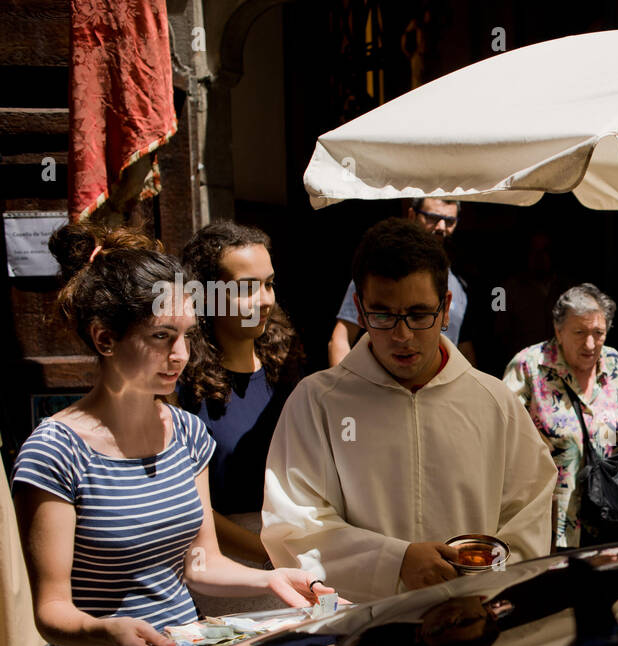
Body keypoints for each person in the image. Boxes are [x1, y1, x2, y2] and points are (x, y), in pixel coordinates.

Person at [11, 225, 322, 646]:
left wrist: (271, 576)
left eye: (186, 335)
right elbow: (51, 611)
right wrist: (109, 631)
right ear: (104, 338)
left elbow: (200, 563)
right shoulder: (55, 450)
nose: (179, 355)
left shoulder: (187, 433)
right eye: (161, 336)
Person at [262, 218, 556, 603]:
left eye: (419, 315)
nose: (402, 336)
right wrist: (394, 562)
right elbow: (294, 527)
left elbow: (528, 517)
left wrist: (480, 585)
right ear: (360, 310)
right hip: (361, 630)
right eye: (383, 315)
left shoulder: (495, 402)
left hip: (472, 623)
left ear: (446, 307)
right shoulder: (317, 402)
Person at [177, 221, 306, 572]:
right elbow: (186, 499)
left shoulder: (287, 368)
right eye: (248, 288)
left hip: (296, 551)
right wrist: (265, 554)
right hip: (224, 561)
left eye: (269, 284)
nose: (264, 300)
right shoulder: (182, 382)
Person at [504, 284, 618, 548]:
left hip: (608, 514)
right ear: (558, 331)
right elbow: (503, 432)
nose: (589, 344)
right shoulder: (528, 366)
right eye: (579, 332)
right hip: (549, 518)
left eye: (598, 333)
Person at [328, 197, 475, 367]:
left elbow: (464, 350)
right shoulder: (377, 274)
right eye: (433, 218)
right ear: (412, 215)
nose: (441, 227)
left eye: (449, 221)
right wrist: (342, 389)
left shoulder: (460, 286)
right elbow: (341, 339)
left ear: (446, 305)